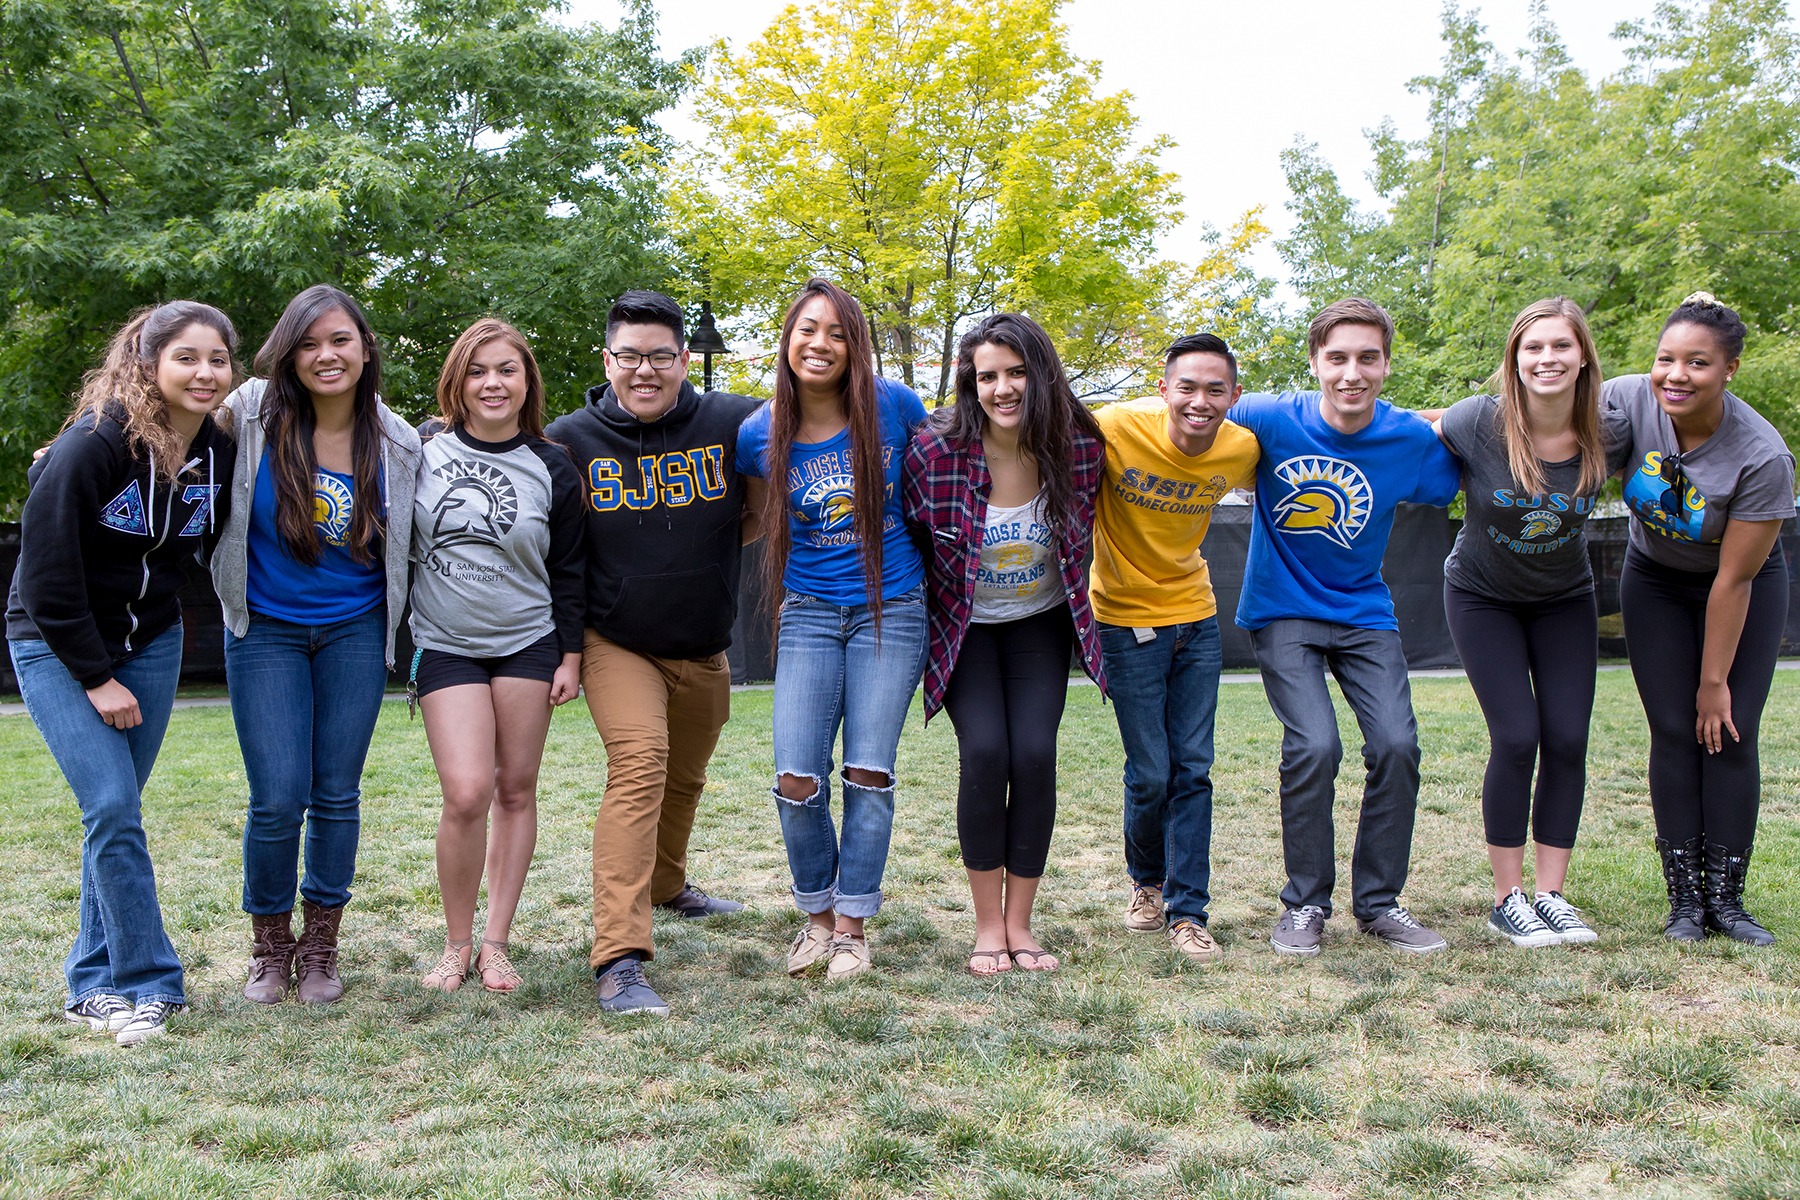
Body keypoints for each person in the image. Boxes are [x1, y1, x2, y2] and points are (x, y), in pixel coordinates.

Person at [7, 302, 236, 1045]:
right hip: (57, 643)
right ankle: (150, 984)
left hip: (152, 642)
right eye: (186, 358)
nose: (204, 373)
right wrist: (96, 676)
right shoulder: (96, 442)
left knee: (116, 814)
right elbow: (44, 577)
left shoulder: (218, 451)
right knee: (110, 806)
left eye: (218, 359)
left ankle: (90, 981)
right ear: (148, 364)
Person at [545, 291, 762, 1015]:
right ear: (607, 360)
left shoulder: (733, 422)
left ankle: (668, 885)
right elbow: (557, 550)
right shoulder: (568, 440)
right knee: (640, 768)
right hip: (616, 641)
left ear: (683, 360)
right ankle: (619, 958)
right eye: (630, 356)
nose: (645, 370)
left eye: (661, 356)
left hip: (704, 641)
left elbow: (770, 492)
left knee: (685, 778)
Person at [1229, 298, 1461, 957]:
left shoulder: (1408, 439)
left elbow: (1467, 463)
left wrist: (1438, 418)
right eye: (1337, 358)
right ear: (1314, 362)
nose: (1351, 373)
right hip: (1283, 609)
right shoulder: (1269, 415)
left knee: (1397, 745)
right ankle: (1305, 903)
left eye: (1367, 358)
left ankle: (1380, 904)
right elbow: (1188, 413)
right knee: (1315, 746)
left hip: (1363, 612)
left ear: (1386, 364)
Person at [213, 284, 422, 1005]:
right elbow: (166, 429)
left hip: (354, 630)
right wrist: (83, 444)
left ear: (365, 347)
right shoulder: (248, 412)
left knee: (336, 793)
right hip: (263, 628)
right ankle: (270, 947)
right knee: (277, 797)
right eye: (308, 343)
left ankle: (322, 945)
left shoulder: (398, 441)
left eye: (339, 340)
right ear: (288, 353)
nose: (325, 356)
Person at [902, 313, 1106, 975]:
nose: (1003, 388)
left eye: (1016, 372)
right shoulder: (934, 453)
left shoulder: (1079, 448)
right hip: (963, 628)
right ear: (971, 383)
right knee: (986, 752)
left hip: (1039, 622)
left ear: (1041, 374)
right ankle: (988, 927)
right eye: (987, 376)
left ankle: (1021, 923)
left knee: (1036, 754)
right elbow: (909, 539)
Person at [738, 277, 929, 982]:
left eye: (838, 333)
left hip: (893, 605)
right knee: (796, 777)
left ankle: (852, 928)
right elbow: (756, 519)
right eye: (808, 329)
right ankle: (816, 918)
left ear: (856, 346)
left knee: (868, 773)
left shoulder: (895, 405)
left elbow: (942, 481)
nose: (820, 344)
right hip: (808, 612)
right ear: (787, 340)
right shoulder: (758, 434)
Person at [1608, 293, 1793, 946]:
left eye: (1698, 362)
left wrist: (1714, 683)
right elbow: (1529, 416)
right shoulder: (1627, 399)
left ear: (1730, 369)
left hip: (1740, 585)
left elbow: (1734, 580)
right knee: (1673, 731)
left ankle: (1728, 902)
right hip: (1654, 579)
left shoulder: (1761, 455)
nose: (1676, 375)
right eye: (1666, 358)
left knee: (1729, 732)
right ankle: (1685, 902)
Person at [410, 319, 585, 993]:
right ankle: (454, 945)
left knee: (515, 789)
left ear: (526, 381)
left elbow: (569, 570)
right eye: (478, 370)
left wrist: (570, 657)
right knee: (466, 792)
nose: (492, 383)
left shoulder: (552, 464)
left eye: (507, 369)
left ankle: (495, 944)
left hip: (528, 643)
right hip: (446, 644)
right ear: (457, 381)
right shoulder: (421, 450)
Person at [1433, 298, 1610, 947]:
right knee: (1516, 737)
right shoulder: (1478, 421)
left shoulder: (1609, 429)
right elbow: (1410, 430)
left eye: (1561, 345)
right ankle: (1506, 899)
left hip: (1565, 598)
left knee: (1567, 739)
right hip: (1483, 597)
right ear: (1514, 358)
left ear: (1583, 355)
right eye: (1533, 347)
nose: (1547, 358)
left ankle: (1551, 895)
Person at [1087, 334, 1260, 962]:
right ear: (1163, 389)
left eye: (1216, 389)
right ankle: (1146, 883)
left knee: (1192, 768)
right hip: (1124, 621)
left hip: (1196, 620)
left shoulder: (1243, 448)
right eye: (1186, 387)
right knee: (1151, 773)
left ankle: (1189, 912)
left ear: (1233, 395)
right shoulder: (1114, 427)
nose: (1199, 401)